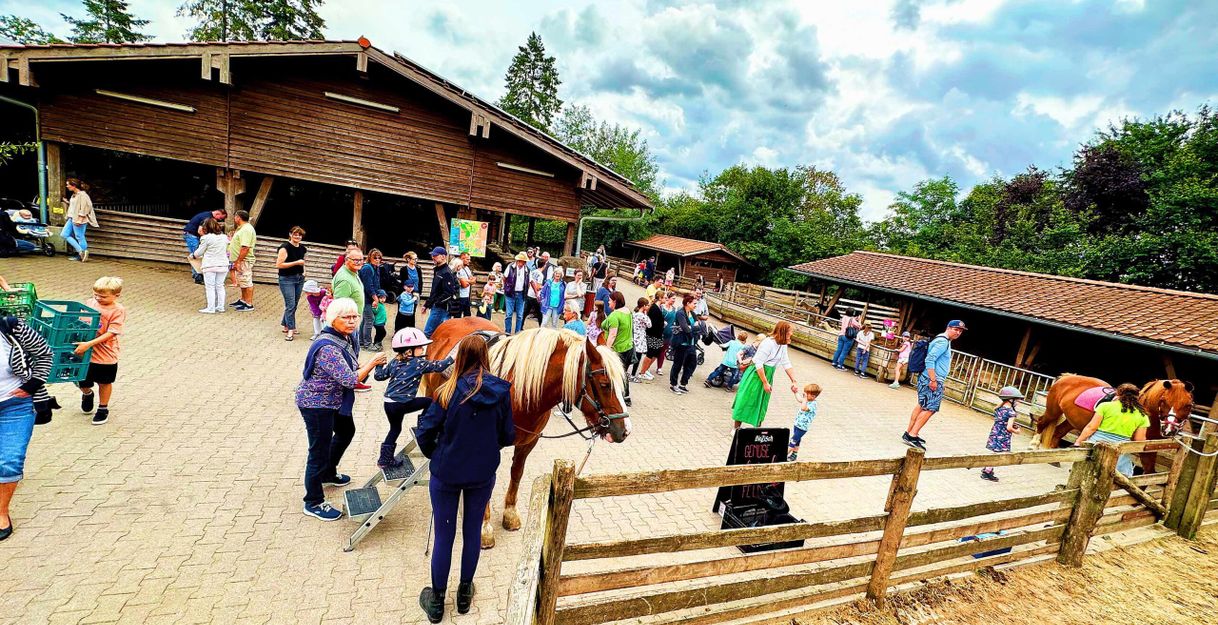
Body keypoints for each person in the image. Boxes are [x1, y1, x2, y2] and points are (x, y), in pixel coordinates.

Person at [417, 336, 515, 623]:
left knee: (444, 536)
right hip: (482, 473)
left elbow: (424, 431)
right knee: (472, 533)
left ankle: (436, 600)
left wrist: (436, 454)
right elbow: (508, 436)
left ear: (459, 357)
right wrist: (485, 447)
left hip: (446, 472)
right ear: (486, 356)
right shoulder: (501, 392)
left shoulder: (447, 391)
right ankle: (463, 595)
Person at [296, 298, 387, 521]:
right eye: (346, 317)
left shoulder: (346, 337)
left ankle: (328, 471)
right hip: (317, 404)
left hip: (335, 401)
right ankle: (313, 501)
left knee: (346, 430)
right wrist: (373, 363)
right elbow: (349, 379)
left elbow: (352, 366)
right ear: (332, 319)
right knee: (318, 450)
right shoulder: (327, 347)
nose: (352, 321)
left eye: (355, 316)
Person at [0, 314, 52, 542]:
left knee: (10, 460)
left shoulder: (10, 327)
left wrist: (32, 385)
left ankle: (1, 513)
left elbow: (44, 353)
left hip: (15, 404)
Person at [373, 328, 453, 469]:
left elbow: (379, 376)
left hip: (389, 404)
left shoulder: (394, 361)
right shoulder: (418, 363)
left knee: (394, 429)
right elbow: (440, 366)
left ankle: (384, 460)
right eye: (420, 347)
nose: (423, 349)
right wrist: (454, 357)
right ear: (409, 351)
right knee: (429, 401)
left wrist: (379, 365)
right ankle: (424, 424)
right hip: (402, 403)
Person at [903, 320, 966, 450]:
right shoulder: (943, 341)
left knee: (922, 405)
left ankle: (909, 432)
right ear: (948, 328)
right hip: (930, 379)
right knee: (930, 409)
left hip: (929, 378)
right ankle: (912, 435)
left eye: (960, 331)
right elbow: (930, 359)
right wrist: (933, 380)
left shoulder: (942, 339)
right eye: (956, 329)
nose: (958, 332)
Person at [75, 276, 127, 426]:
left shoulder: (118, 310)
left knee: (104, 382)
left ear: (116, 295)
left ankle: (103, 408)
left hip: (105, 353)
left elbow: (111, 332)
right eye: (96, 294)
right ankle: (87, 393)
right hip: (86, 351)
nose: (98, 298)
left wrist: (89, 343)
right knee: (81, 379)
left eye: (103, 296)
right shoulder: (90, 303)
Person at [731, 321, 799, 429]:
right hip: (757, 373)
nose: (791, 334)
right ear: (783, 332)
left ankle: (757, 429)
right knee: (746, 399)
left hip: (768, 373)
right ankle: (736, 428)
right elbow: (758, 363)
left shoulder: (782, 344)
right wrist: (765, 382)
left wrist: (793, 380)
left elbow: (786, 362)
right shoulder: (768, 343)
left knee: (762, 401)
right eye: (790, 332)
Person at [1075, 383, 1150, 476]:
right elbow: (1139, 440)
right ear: (1137, 397)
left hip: (1096, 445)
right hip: (1119, 451)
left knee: (1084, 474)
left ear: (1118, 394)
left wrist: (1078, 442)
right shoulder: (1142, 415)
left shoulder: (1105, 406)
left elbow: (1091, 427)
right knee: (1112, 478)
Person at [982, 386, 1023, 481]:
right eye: (1017, 400)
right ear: (1011, 400)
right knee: (997, 455)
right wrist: (1016, 431)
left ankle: (987, 468)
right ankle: (986, 473)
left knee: (994, 452)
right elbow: (1009, 427)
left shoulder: (999, 408)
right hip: (1002, 436)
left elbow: (1001, 420)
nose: (1019, 402)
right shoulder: (1011, 412)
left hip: (995, 432)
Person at [600, 292, 634, 406]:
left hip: (618, 349)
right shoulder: (628, 311)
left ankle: (616, 397)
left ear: (615, 301)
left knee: (615, 373)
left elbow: (612, 335)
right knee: (623, 373)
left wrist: (606, 351)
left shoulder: (615, 315)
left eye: (609, 300)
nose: (608, 302)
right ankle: (626, 396)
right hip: (628, 347)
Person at [190, 217, 230, 314]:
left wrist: (193, 255)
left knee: (210, 287)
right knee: (220, 286)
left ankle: (210, 308)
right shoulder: (224, 237)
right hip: (223, 265)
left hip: (210, 265)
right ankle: (220, 307)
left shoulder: (206, 238)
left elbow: (199, 252)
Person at [275, 226, 309, 341]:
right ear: (290, 234)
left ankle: (285, 324)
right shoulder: (284, 248)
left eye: (299, 235)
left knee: (294, 303)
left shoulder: (303, 248)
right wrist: (296, 263)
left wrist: (304, 271)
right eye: (295, 234)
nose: (297, 236)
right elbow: (279, 265)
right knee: (290, 305)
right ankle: (291, 329)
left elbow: (302, 262)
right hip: (286, 279)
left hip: (299, 279)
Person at [667, 294, 703, 394]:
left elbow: (699, 326)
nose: (696, 305)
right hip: (681, 343)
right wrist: (693, 327)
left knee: (692, 363)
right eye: (694, 303)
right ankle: (673, 384)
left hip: (691, 343)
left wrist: (692, 327)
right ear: (688, 303)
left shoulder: (692, 313)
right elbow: (685, 328)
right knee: (678, 364)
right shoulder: (680, 313)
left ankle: (683, 383)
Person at [422, 247, 458, 337]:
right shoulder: (437, 270)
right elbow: (434, 291)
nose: (433, 257)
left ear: (443, 257)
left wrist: (436, 303)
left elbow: (449, 293)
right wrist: (427, 304)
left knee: (427, 333)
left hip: (440, 308)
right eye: (432, 255)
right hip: (436, 307)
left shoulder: (446, 272)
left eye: (435, 255)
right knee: (437, 334)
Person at [183, 208, 226, 283]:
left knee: (197, 254)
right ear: (218, 214)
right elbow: (200, 231)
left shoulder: (208, 215)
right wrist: (207, 239)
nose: (220, 220)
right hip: (192, 235)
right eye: (221, 218)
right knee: (196, 255)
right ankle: (198, 277)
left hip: (193, 235)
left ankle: (199, 275)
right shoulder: (207, 217)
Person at [227, 210, 257, 311]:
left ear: (238, 217)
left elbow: (245, 247)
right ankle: (243, 300)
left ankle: (249, 304)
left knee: (247, 280)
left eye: (235, 216)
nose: (234, 218)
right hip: (239, 259)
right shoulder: (241, 228)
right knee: (242, 280)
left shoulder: (247, 229)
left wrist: (238, 261)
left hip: (244, 260)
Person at [62, 178, 97, 262]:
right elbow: (76, 205)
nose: (67, 186)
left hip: (78, 219)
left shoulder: (83, 195)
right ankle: (81, 251)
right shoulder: (75, 194)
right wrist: (67, 202)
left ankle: (81, 254)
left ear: (74, 185)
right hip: (72, 218)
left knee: (79, 237)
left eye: (68, 185)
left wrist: (80, 219)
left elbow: (85, 207)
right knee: (64, 234)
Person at [636, 294, 667, 379]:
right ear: (660, 298)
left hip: (658, 335)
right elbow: (652, 323)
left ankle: (646, 370)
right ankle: (642, 372)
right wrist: (662, 324)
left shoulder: (659, 308)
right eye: (664, 297)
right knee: (650, 353)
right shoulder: (654, 308)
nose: (666, 299)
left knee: (656, 353)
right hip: (653, 335)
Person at [787, 383, 821, 461]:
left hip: (802, 427)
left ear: (813, 396)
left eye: (807, 394)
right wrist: (795, 392)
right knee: (797, 441)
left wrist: (805, 399)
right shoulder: (807, 400)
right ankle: (794, 455)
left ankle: (782, 455)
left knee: (793, 441)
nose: (804, 394)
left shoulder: (813, 404)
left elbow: (803, 408)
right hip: (797, 424)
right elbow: (799, 400)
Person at [358, 249, 384, 349]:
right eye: (375, 258)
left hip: (370, 297)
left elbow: (376, 284)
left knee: (365, 320)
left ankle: (361, 341)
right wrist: (375, 298)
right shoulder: (367, 268)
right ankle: (367, 344)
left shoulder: (376, 268)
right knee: (370, 319)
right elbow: (368, 286)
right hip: (366, 298)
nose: (377, 260)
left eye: (379, 258)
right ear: (370, 258)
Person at [502, 252, 529, 334]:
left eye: (523, 261)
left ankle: (517, 332)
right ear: (517, 261)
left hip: (521, 294)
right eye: (520, 261)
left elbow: (529, 282)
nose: (521, 263)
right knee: (509, 314)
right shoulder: (510, 267)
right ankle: (507, 332)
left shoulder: (527, 270)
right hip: (510, 293)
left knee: (520, 315)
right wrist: (506, 287)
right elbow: (504, 277)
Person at [629, 297, 651, 380]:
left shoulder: (634, 314)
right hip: (640, 338)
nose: (648, 307)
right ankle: (633, 375)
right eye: (647, 305)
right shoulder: (643, 316)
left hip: (633, 336)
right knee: (638, 357)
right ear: (644, 306)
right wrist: (646, 314)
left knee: (630, 355)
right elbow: (649, 325)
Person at [658, 292, 678, 375]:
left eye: (675, 299)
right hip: (660, 333)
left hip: (669, 334)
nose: (674, 300)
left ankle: (659, 367)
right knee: (656, 350)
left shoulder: (674, 309)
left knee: (663, 351)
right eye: (673, 298)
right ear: (668, 298)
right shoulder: (661, 308)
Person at [455, 252, 474, 318]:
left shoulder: (467, 269)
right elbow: (464, 285)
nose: (469, 261)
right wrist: (469, 281)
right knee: (458, 316)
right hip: (460, 296)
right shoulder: (459, 269)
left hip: (467, 296)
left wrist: (467, 281)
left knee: (468, 316)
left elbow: (474, 280)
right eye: (467, 259)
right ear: (462, 259)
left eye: (469, 259)